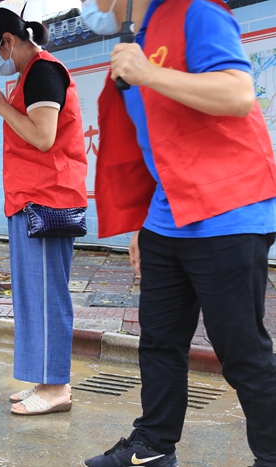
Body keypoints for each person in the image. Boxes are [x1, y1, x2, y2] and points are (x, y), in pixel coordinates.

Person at [83, 1, 276, 466]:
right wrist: (141, 223)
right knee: (159, 342)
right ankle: (152, 446)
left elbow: (237, 93)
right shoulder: (137, 36)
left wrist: (148, 73)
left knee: (241, 351)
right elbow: (155, 138)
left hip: (227, 212)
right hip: (166, 218)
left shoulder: (197, 13)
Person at [0, 8, 88, 416]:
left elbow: (43, 136)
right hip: (30, 199)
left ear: (7, 41)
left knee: (46, 295)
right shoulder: (28, 75)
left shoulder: (42, 72)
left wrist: (1, 107)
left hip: (47, 200)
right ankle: (46, 381)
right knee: (33, 295)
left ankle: (56, 388)